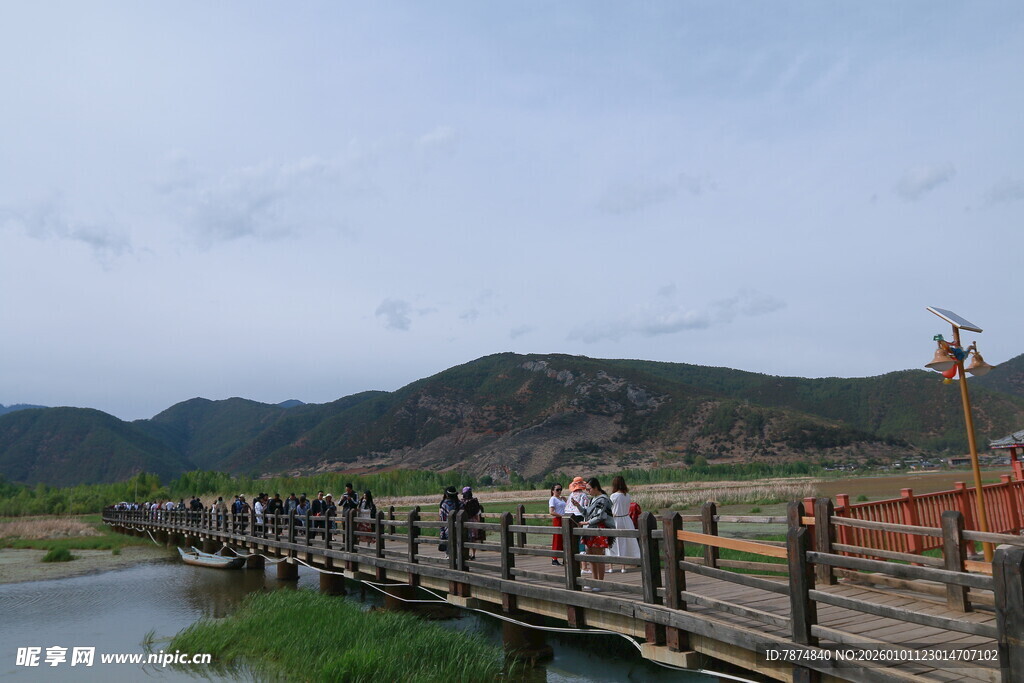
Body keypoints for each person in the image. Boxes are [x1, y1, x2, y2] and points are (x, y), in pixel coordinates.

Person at [582, 477, 614, 588]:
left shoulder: (603, 499)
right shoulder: (592, 499)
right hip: (591, 528)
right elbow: (587, 512)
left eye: (589, 489)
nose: (587, 491)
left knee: (598, 556)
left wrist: (587, 523)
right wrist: (577, 506)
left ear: (595, 488)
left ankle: (600, 582)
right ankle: (594, 581)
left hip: (599, 529)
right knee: (590, 555)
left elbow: (600, 516)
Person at [608, 476, 641, 572]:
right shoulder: (627, 495)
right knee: (625, 542)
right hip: (626, 519)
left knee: (612, 542)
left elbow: (610, 509)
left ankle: (611, 567)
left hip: (616, 519)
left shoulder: (613, 496)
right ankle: (623, 567)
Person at [563, 477, 590, 573]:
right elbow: (586, 509)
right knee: (581, 539)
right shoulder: (583, 495)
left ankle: (574, 565)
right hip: (580, 517)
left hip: (570, 518)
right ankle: (584, 567)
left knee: (573, 540)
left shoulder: (571, 495)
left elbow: (566, 508)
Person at [461, 487, 484, 560]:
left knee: (465, 538)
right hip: (474, 521)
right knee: (473, 538)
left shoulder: (462, 502)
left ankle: (466, 554)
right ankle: (473, 554)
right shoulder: (475, 501)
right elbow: (478, 512)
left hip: (465, 521)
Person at [438, 485, 461, 556]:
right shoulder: (459, 504)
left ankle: (449, 556)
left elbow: (442, 517)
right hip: (459, 527)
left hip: (447, 527)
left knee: (449, 543)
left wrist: (442, 530)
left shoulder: (444, 504)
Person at [548, 483, 566, 565]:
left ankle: (564, 557)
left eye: (560, 489)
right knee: (557, 538)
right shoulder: (553, 499)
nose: (559, 491)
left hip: (564, 520)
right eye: (557, 490)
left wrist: (566, 500)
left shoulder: (562, 499)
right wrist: (561, 516)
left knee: (564, 539)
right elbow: (551, 512)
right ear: (553, 491)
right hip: (558, 519)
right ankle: (554, 558)